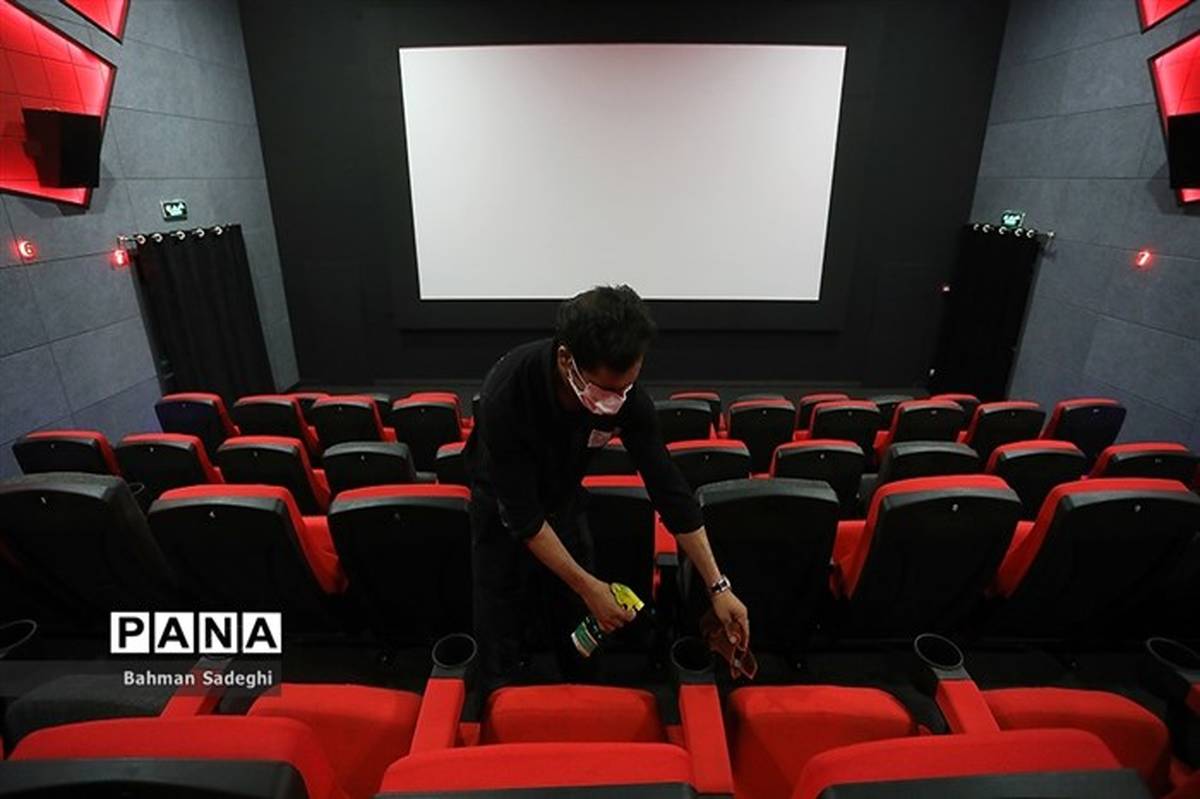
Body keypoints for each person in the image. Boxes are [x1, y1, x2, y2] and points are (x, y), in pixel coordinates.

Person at [463, 284, 750, 687]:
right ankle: (501, 697)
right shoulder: (507, 393)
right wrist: (590, 588)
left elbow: (668, 489)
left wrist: (718, 587)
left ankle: (586, 692)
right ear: (567, 360)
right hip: (500, 507)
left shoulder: (627, 399)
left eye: (626, 388)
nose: (616, 401)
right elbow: (523, 518)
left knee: (580, 626)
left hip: (562, 499)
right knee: (500, 622)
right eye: (606, 391)